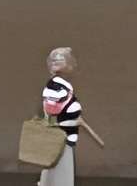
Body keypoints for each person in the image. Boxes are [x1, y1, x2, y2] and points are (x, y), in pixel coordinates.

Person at [39, 45, 103, 184]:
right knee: (60, 174)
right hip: (60, 139)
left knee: (57, 173)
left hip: (65, 138)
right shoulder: (55, 86)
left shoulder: (62, 85)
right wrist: (73, 122)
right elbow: (52, 116)